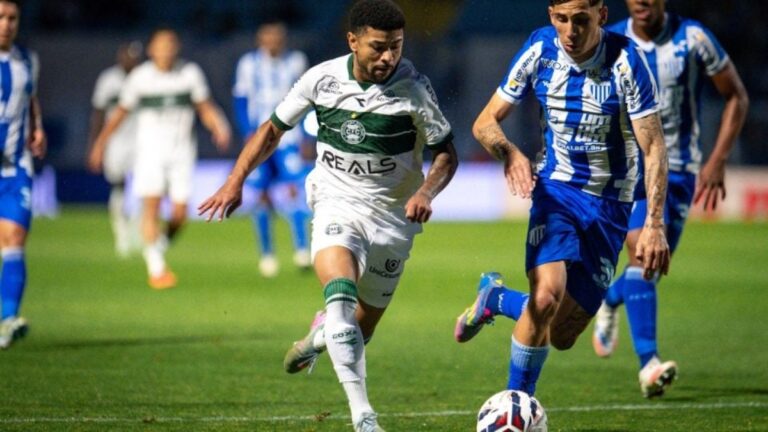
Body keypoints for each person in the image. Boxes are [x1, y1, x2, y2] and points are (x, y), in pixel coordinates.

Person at [199, 1, 458, 429]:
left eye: (396, 46)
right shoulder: (320, 79)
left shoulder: (414, 88)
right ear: (352, 41)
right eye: (378, 47)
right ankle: (364, 416)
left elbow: (445, 153)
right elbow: (271, 130)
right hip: (336, 203)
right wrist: (235, 180)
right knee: (340, 303)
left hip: (394, 218)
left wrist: (427, 190)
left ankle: (320, 336)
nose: (388, 57)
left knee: (360, 329)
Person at [453, 0, 671, 405]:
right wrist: (510, 152)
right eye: (561, 19)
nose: (569, 31)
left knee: (563, 334)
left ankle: (496, 298)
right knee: (546, 297)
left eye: (581, 20)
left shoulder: (627, 61)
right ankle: (518, 407)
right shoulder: (539, 50)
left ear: (602, 16)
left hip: (612, 207)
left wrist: (654, 223)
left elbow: (654, 146)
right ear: (551, 15)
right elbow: (484, 122)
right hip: (556, 193)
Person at [591, 0, 749, 397]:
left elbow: (737, 96)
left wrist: (718, 158)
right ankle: (649, 364)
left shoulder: (693, 39)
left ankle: (609, 299)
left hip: (678, 168)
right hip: (628, 166)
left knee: (651, 265)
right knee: (643, 257)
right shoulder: (612, 42)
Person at [89, 28, 230, 290]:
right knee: (151, 208)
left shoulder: (189, 74)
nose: (166, 51)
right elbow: (119, 114)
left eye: (171, 45)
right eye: (161, 46)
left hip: (182, 153)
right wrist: (100, 143)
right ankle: (156, 267)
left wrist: (217, 126)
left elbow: (204, 106)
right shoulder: (141, 78)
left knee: (180, 214)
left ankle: (156, 247)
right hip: (150, 153)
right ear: (151, 50)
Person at [233, 21, 312, 278]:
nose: (273, 41)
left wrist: (308, 136)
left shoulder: (297, 62)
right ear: (260, 39)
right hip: (260, 137)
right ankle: (267, 254)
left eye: (277, 36)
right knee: (262, 195)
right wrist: (248, 132)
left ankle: (302, 250)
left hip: (290, 139)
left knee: (295, 191)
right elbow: (241, 100)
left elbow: (310, 102)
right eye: (268, 37)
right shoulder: (248, 64)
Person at [0, 0, 47, 349]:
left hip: (16, 168)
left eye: (12, 18)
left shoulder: (27, 60)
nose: (6, 24)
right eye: (0, 17)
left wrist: (38, 127)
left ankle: (7, 319)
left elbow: (31, 97)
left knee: (15, 236)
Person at [87, 41, 143, 258]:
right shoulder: (108, 79)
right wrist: (95, 145)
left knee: (142, 188)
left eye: (134, 57)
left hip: (141, 140)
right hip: (116, 142)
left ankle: (138, 232)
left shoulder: (145, 77)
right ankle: (121, 233)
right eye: (127, 56)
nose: (131, 60)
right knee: (118, 186)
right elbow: (99, 114)